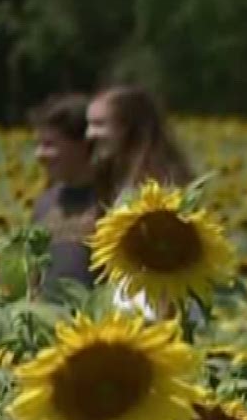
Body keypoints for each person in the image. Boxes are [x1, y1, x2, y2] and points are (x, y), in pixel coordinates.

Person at [83, 84, 197, 321]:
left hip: (153, 313)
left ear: (127, 128)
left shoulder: (158, 189)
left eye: (99, 124)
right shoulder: (120, 180)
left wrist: (165, 322)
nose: (89, 134)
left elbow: (168, 263)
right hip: (132, 310)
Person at [27, 93, 100, 298]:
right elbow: (33, 276)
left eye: (49, 144)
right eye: (37, 144)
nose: (39, 155)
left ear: (84, 144)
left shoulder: (114, 203)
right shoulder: (45, 203)